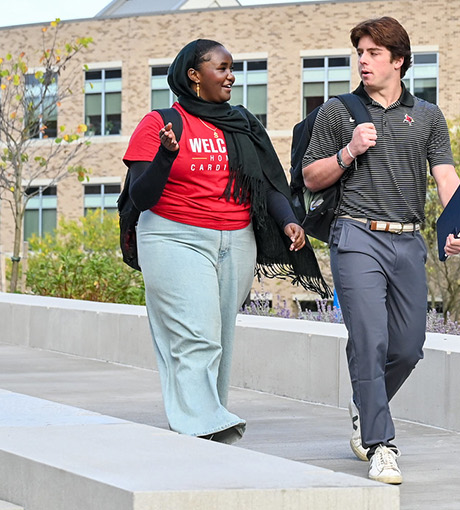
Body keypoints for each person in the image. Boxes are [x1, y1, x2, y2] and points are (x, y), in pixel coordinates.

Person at [122, 39, 325, 445]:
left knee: (219, 337)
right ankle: (203, 420)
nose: (231, 75)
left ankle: (204, 417)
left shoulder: (243, 124)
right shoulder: (160, 123)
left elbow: (266, 182)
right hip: (173, 236)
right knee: (196, 335)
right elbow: (141, 197)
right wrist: (166, 156)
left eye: (233, 68)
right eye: (222, 67)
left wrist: (288, 221)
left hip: (236, 239)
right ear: (194, 75)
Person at [299, 17, 460, 485]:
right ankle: (381, 444)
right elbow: (311, 177)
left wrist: (459, 224)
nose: (363, 61)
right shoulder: (339, 111)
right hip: (355, 236)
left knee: (410, 347)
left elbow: (446, 178)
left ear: (398, 61)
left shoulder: (429, 115)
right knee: (370, 340)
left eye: (373, 53)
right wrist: (348, 151)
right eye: (360, 53)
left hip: (408, 238)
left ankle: (365, 405)